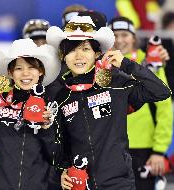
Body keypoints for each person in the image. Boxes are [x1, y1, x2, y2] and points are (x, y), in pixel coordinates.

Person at [45, 11, 171, 189]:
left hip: (118, 184)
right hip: (81, 185)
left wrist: (127, 64)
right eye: (72, 50)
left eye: (85, 49)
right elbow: (62, 144)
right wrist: (62, 171)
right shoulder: (61, 95)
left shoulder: (116, 82)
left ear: (97, 53)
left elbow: (161, 92)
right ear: (63, 56)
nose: (78, 56)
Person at [0, 38, 60, 190]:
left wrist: (47, 129)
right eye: (19, 68)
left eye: (31, 67)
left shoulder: (51, 104)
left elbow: (56, 157)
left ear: (41, 71)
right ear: (10, 72)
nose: (25, 73)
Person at [109, 16, 173, 190]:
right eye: (115, 35)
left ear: (134, 37)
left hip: (143, 148)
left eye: (124, 34)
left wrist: (159, 151)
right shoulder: (102, 64)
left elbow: (164, 107)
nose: (120, 40)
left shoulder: (151, 61)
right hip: (111, 148)